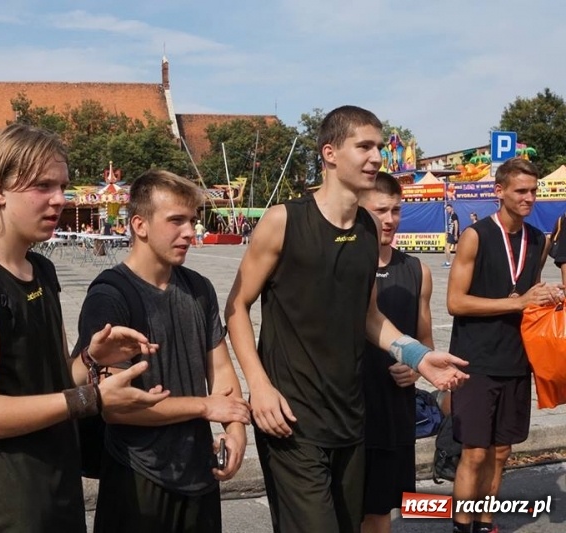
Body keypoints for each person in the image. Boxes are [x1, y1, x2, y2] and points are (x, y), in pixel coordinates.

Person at [224, 105, 469, 533]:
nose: (377, 157)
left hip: (350, 418)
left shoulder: (367, 231)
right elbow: (236, 306)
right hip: (291, 419)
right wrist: (258, 387)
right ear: (330, 153)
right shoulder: (284, 221)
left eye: (379, 146)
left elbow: (370, 316)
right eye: (365, 146)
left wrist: (419, 357)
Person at [0, 124, 170, 532]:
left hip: (57, 482)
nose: (59, 199)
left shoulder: (40, 268)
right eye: (42, 186)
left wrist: (90, 359)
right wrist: (92, 398)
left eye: (62, 185)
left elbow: (51, 381)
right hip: (4, 499)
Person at [75, 170, 250, 533]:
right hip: (139, 475)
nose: (190, 231)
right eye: (176, 221)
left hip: (199, 472)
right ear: (139, 224)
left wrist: (235, 431)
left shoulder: (199, 288)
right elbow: (117, 405)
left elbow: (220, 371)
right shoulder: (110, 295)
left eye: (192, 221)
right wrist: (204, 406)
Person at [447, 157, 564, 533]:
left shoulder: (538, 240)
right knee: (475, 452)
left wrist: (550, 297)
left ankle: (485, 522)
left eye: (534, 191)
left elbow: (529, 295)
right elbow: (455, 302)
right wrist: (518, 301)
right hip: (475, 360)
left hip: (516, 360)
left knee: (501, 453)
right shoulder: (475, 236)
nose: (530, 198)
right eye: (521, 191)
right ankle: (462, 525)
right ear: (499, 192)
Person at [358, 172, 434, 533]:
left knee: (381, 513)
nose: (389, 220)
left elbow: (426, 341)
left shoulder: (417, 270)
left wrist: (417, 370)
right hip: (349, 408)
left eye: (396, 210)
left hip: (393, 410)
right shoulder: (341, 265)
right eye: (380, 210)